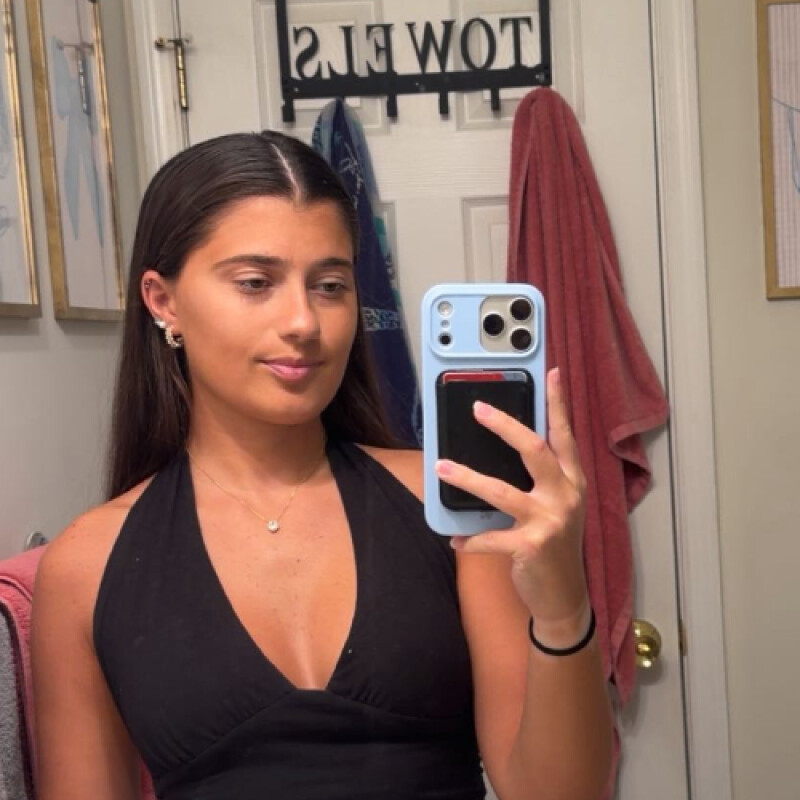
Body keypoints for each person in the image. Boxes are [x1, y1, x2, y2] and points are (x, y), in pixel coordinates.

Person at [30, 131, 613, 800]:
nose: (304, 321)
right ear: (164, 301)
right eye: (256, 283)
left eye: (330, 285)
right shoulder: (85, 567)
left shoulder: (451, 502)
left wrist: (563, 606)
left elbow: (557, 793)